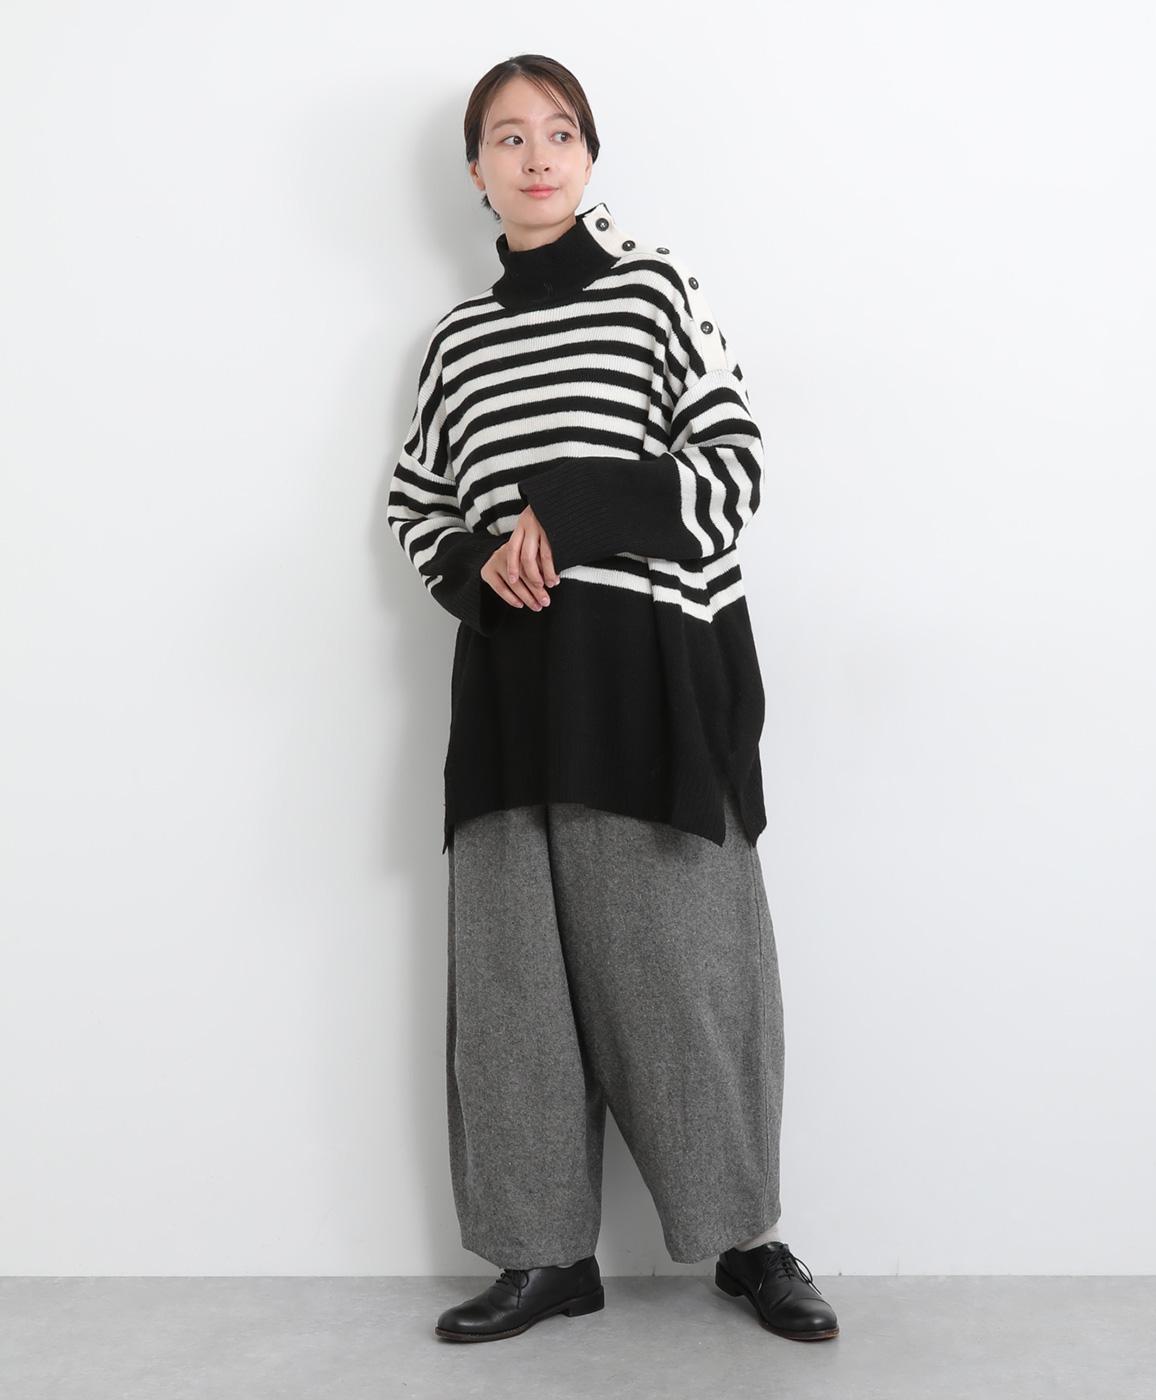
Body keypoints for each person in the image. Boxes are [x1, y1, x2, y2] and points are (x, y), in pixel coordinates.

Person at [385, 53, 840, 1345]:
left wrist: (566, 511)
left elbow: (732, 468)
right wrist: (480, 559)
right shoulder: (456, 346)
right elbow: (419, 504)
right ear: (476, 171)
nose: (537, 156)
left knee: (691, 980)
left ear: (589, 156)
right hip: (512, 697)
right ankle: (545, 1258)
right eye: (508, 137)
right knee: (514, 998)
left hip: (648, 686)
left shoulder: (653, 293)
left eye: (560, 132)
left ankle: (748, 1240)